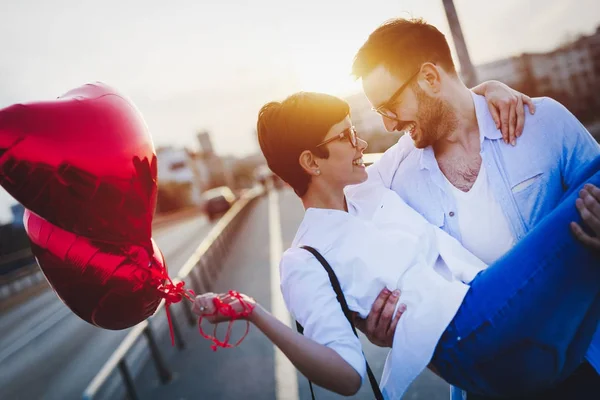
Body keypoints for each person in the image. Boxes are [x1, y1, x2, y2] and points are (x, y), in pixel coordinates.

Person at [193, 91, 600, 399]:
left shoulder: (371, 185)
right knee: (583, 207)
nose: (360, 144)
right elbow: (348, 376)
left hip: (486, 303)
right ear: (310, 162)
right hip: (462, 330)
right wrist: (256, 314)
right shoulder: (303, 260)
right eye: (347, 136)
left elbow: (436, 120)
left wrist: (490, 90)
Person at [348, 17, 600, 399]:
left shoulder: (542, 120)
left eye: (390, 105)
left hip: (585, 363)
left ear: (430, 78)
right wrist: (375, 324)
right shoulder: (391, 179)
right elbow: (336, 232)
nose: (387, 123)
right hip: (488, 383)